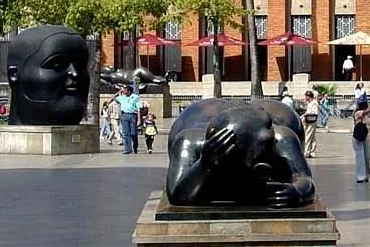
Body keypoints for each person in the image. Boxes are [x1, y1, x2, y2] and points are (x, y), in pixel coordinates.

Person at [165, 99, 315, 207]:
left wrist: (297, 191)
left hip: (271, 113)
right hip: (198, 117)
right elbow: (177, 194)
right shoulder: (190, 141)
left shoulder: (280, 138)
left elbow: (305, 179)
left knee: (290, 122)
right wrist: (204, 165)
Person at [115, 85, 142, 155]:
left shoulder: (135, 97)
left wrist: (139, 119)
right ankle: (127, 149)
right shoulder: (122, 97)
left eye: (125, 90)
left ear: (129, 91)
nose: (123, 91)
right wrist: (119, 91)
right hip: (124, 116)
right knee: (126, 134)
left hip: (133, 115)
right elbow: (113, 98)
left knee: (133, 133)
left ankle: (135, 146)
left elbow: (139, 108)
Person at [352, 98, 370, 183]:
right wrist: (369, 106)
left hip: (366, 137)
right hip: (358, 137)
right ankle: (360, 176)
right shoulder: (357, 113)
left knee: (367, 156)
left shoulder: (366, 117)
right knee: (359, 156)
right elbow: (366, 111)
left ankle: (367, 175)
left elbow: (368, 128)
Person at [303, 91, 320, 158]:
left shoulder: (314, 103)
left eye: (306, 96)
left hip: (311, 122)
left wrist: (307, 114)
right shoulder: (310, 103)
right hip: (308, 121)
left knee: (308, 136)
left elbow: (315, 113)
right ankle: (312, 152)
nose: (305, 97)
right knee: (312, 137)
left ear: (308, 96)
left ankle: (307, 152)